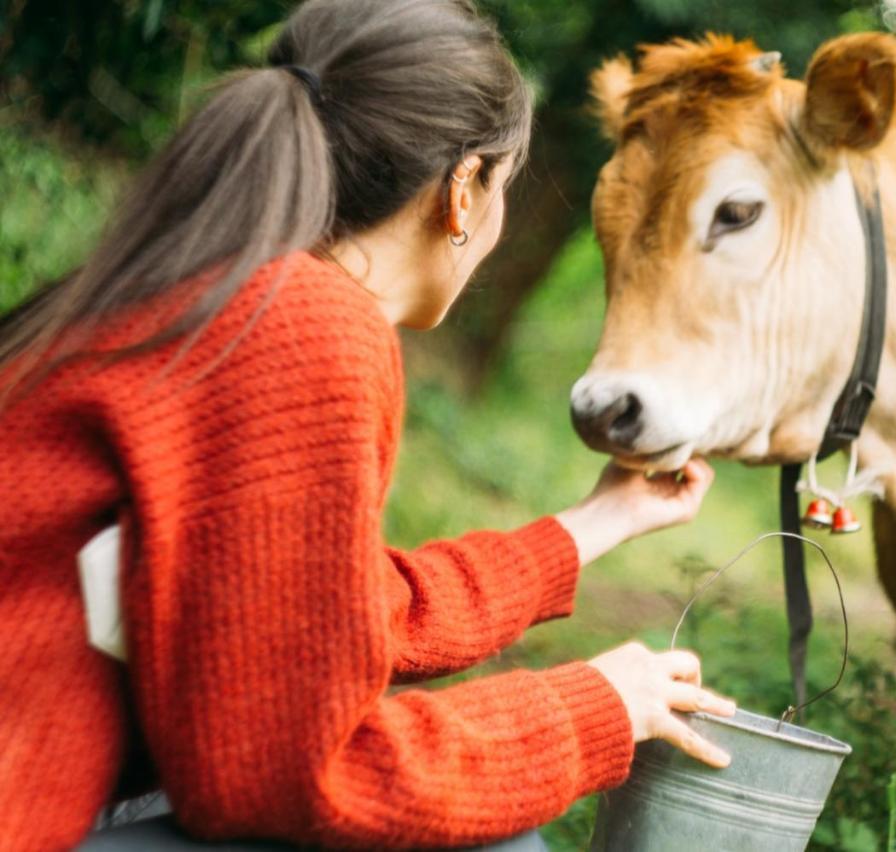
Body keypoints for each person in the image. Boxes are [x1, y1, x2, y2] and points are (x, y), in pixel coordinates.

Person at [0, 1, 736, 848]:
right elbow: (292, 777)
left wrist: (599, 522)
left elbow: (324, 610)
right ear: (464, 189)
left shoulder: (207, 294)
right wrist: (593, 707)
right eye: (508, 184)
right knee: (491, 842)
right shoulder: (301, 325)